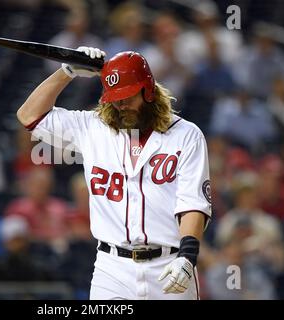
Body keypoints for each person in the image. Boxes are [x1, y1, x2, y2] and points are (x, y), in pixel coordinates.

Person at [17, 47, 212, 300]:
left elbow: (192, 203)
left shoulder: (186, 135)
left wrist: (187, 256)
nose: (121, 105)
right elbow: (29, 116)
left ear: (148, 90)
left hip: (169, 265)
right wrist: (67, 70)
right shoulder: (93, 127)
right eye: (115, 98)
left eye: (128, 96)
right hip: (112, 269)